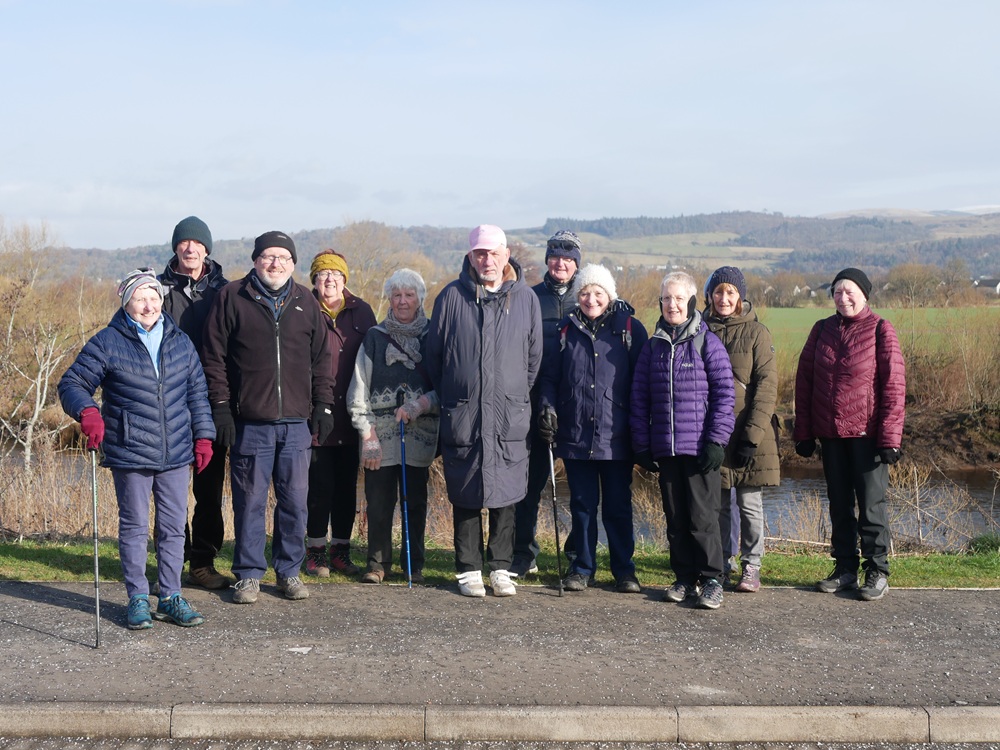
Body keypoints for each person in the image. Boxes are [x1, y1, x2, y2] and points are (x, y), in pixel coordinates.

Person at [58, 268, 215, 630]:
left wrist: (203, 436)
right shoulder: (107, 342)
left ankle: (172, 596)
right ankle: (137, 599)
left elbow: (197, 394)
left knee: (174, 527)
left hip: (175, 450)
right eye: (141, 297)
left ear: (162, 300)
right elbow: (72, 383)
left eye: (154, 296)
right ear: (126, 302)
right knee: (133, 526)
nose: (149, 305)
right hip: (130, 449)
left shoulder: (180, 341)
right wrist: (88, 412)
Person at [201, 231, 335, 604]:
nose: (275, 264)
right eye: (268, 257)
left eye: (283, 258)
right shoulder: (232, 297)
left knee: (295, 501)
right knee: (250, 501)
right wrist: (222, 408)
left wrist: (323, 405)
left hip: (296, 423)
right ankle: (248, 574)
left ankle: (289, 571)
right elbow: (214, 359)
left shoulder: (305, 301)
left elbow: (322, 360)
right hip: (251, 423)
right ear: (256, 260)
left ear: (292, 264)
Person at [426, 224, 542, 598]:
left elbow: (533, 359)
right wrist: (458, 393)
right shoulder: (450, 298)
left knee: (506, 494)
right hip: (465, 414)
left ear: (506, 254)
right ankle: (468, 568)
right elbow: (435, 358)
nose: (487, 260)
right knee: (466, 490)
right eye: (480, 253)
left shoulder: (526, 299)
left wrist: (512, 394)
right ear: (470, 255)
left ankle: (500, 567)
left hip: (508, 414)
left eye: (493, 253)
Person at [793, 267, 906, 601]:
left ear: (864, 294)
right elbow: (805, 382)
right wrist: (804, 432)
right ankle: (845, 569)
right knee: (839, 506)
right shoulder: (821, 330)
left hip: (868, 436)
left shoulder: (881, 330)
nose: (843, 298)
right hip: (831, 435)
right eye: (837, 293)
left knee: (872, 506)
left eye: (849, 291)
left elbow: (894, 387)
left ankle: (877, 571)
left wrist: (890, 439)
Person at [538, 264, 648, 593]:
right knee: (583, 506)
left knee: (617, 506)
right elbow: (549, 379)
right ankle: (581, 568)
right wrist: (547, 408)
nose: (591, 298)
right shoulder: (564, 331)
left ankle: (624, 571)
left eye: (598, 292)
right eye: (584, 292)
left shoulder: (629, 329)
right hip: (575, 434)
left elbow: (642, 382)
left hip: (616, 437)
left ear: (609, 295)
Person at [630, 271, 735, 610]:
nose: (671, 305)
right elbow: (639, 398)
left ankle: (713, 579)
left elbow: (724, 395)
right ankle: (685, 578)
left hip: (700, 448)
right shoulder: (653, 346)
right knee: (675, 519)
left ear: (691, 302)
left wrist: (717, 440)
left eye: (678, 298)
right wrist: (642, 444)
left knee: (703, 519)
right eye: (666, 298)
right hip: (666, 447)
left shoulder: (708, 343)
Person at [347, 269, 439, 584]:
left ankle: (414, 565)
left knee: (415, 502)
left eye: (409, 295)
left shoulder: (434, 336)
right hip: (380, 437)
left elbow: (449, 386)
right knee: (379, 502)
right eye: (396, 295)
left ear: (420, 299)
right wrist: (367, 435)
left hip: (421, 435)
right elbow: (358, 390)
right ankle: (376, 564)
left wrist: (422, 404)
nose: (402, 301)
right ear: (389, 299)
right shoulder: (374, 337)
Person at [157, 216, 232, 590]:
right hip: (166, 404)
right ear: (175, 248)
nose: (190, 249)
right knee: (166, 489)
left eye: (196, 243)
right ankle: (171, 560)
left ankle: (202, 562)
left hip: (211, 401)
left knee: (208, 489)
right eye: (183, 243)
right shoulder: (156, 290)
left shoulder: (226, 291)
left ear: (207, 249)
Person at [703, 266, 780, 593]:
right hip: (713, 435)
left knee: (749, 506)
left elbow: (766, 387)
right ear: (710, 295)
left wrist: (752, 434)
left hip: (751, 436)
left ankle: (752, 566)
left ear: (740, 297)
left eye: (730, 292)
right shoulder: (700, 330)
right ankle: (721, 564)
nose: (724, 298)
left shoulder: (757, 333)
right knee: (717, 506)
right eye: (718, 292)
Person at [512, 229, 582, 578]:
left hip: (578, 405)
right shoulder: (528, 297)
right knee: (529, 484)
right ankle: (524, 553)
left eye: (568, 258)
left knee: (582, 487)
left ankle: (577, 555)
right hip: (533, 403)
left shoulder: (589, 298)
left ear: (577, 264)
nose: (561, 263)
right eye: (555, 257)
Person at [304, 250, 376, 578]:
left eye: (336, 275)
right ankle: (316, 551)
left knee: (347, 487)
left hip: (352, 415)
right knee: (318, 487)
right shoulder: (303, 308)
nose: (329, 280)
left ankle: (341, 551)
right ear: (314, 281)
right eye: (323, 275)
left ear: (345, 279)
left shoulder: (362, 311)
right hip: (315, 413)